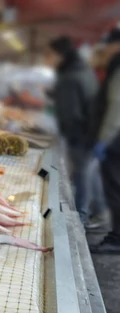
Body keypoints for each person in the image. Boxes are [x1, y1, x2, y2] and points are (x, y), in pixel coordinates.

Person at [45, 36, 105, 227]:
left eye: (49, 55)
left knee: (82, 174)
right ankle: (97, 212)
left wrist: (67, 135)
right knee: (89, 173)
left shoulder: (70, 77)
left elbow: (71, 111)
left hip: (80, 134)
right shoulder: (82, 70)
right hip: (91, 131)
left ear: (60, 55)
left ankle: (80, 217)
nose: (47, 60)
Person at [91, 26, 120, 253]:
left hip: (115, 141)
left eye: (109, 46)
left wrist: (103, 140)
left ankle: (116, 239)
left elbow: (116, 108)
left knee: (115, 187)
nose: (107, 51)